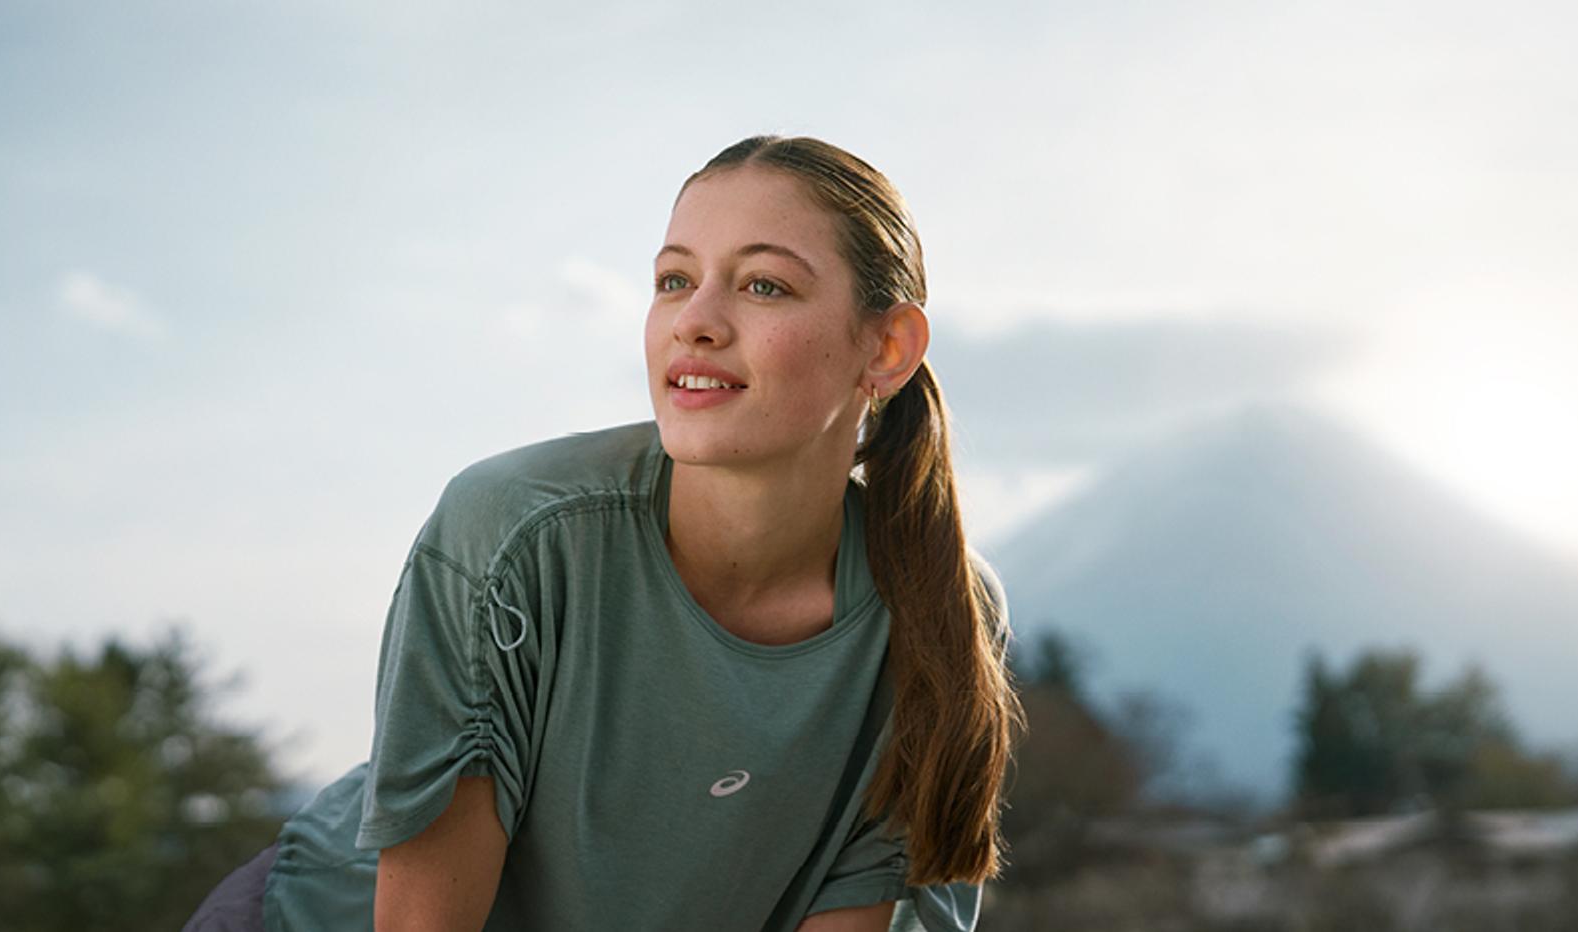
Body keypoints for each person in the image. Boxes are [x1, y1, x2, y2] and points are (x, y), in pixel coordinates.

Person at [185, 134, 1024, 932]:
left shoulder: (934, 601)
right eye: (673, 281)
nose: (695, 320)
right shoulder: (515, 530)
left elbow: (860, 898)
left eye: (764, 286)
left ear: (888, 346)